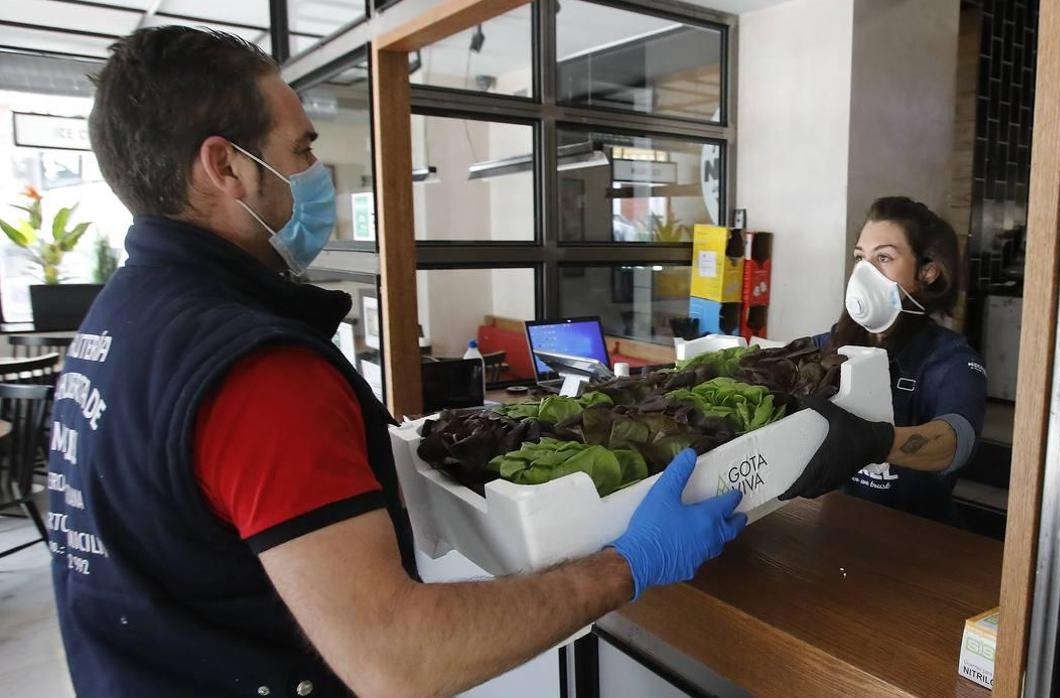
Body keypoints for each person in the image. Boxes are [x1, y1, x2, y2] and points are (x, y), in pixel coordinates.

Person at [47, 27, 745, 697]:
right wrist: (626, 566)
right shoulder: (258, 374)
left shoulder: (112, 327)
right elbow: (398, 660)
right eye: (301, 148)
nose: (314, 174)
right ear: (226, 166)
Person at [780, 196, 988, 524]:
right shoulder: (834, 344)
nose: (865, 273)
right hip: (837, 524)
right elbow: (782, 368)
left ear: (927, 272)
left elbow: (955, 440)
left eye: (884, 258)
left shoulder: (951, 362)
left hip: (918, 536)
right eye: (860, 258)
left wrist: (875, 444)